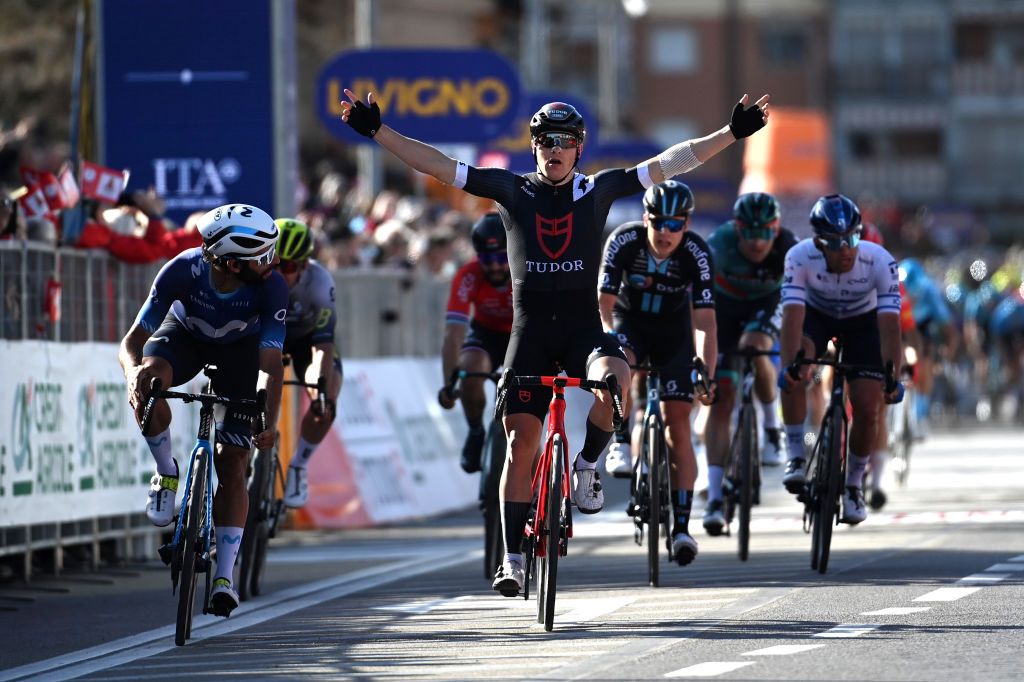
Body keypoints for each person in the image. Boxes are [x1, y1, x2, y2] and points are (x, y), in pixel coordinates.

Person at [340, 86, 770, 596]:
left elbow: (669, 163)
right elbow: (438, 166)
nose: (554, 148)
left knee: (616, 379)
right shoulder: (512, 189)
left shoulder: (598, 191)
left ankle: (588, 462)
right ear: (535, 146)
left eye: (564, 140)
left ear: (579, 148)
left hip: (583, 330)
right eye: (545, 140)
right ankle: (513, 560)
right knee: (522, 443)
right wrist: (377, 132)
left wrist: (730, 133)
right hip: (531, 333)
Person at [119, 203, 286, 617]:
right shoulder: (182, 271)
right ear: (231, 263)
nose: (274, 262)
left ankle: (224, 578)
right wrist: (133, 373)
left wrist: (268, 417)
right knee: (150, 383)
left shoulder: (272, 286)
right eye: (263, 256)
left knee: (232, 463)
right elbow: (132, 342)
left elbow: (270, 367)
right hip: (185, 339)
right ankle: (167, 472)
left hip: (242, 355)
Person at [598, 180, 717, 565]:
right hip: (627, 321)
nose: (666, 233)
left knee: (677, 424)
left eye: (675, 224)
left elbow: (705, 321)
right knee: (621, 363)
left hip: (673, 332)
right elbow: (603, 304)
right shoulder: (624, 240)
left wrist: (705, 369)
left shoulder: (697, 252)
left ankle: (682, 528)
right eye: (659, 223)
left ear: (687, 224)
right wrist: (607, 347)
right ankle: (620, 437)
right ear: (645, 218)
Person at [778, 194, 903, 526]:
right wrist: (788, 366)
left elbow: (891, 329)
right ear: (818, 242)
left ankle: (853, 487)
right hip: (816, 318)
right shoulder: (799, 257)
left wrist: (893, 377)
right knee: (797, 367)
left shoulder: (880, 261)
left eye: (852, 238)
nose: (846, 248)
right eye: (836, 242)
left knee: (866, 403)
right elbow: (791, 320)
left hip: (864, 323)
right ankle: (794, 455)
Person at [702, 192, 797, 535]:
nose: (758, 242)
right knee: (722, 397)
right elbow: (700, 297)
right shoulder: (719, 244)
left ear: (777, 229)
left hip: (767, 305)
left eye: (765, 233)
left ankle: (773, 429)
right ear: (737, 229)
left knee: (756, 348)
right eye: (750, 234)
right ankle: (714, 495)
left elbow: (801, 296)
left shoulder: (789, 247)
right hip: (724, 310)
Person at [274, 218, 344, 508]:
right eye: (274, 262)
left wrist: (319, 388)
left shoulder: (320, 282)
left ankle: (299, 465)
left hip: (308, 341)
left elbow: (323, 345)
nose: (279, 272)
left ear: (304, 266)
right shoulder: (257, 277)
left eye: (289, 267)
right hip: (266, 339)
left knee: (327, 397)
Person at [438, 213, 514, 473]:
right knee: (469, 371)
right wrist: (450, 383)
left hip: (523, 334)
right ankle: (475, 431)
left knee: (521, 415)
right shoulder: (467, 276)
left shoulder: (527, 267)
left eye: (502, 258)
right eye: (487, 260)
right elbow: (453, 335)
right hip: (487, 333)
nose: (495, 267)